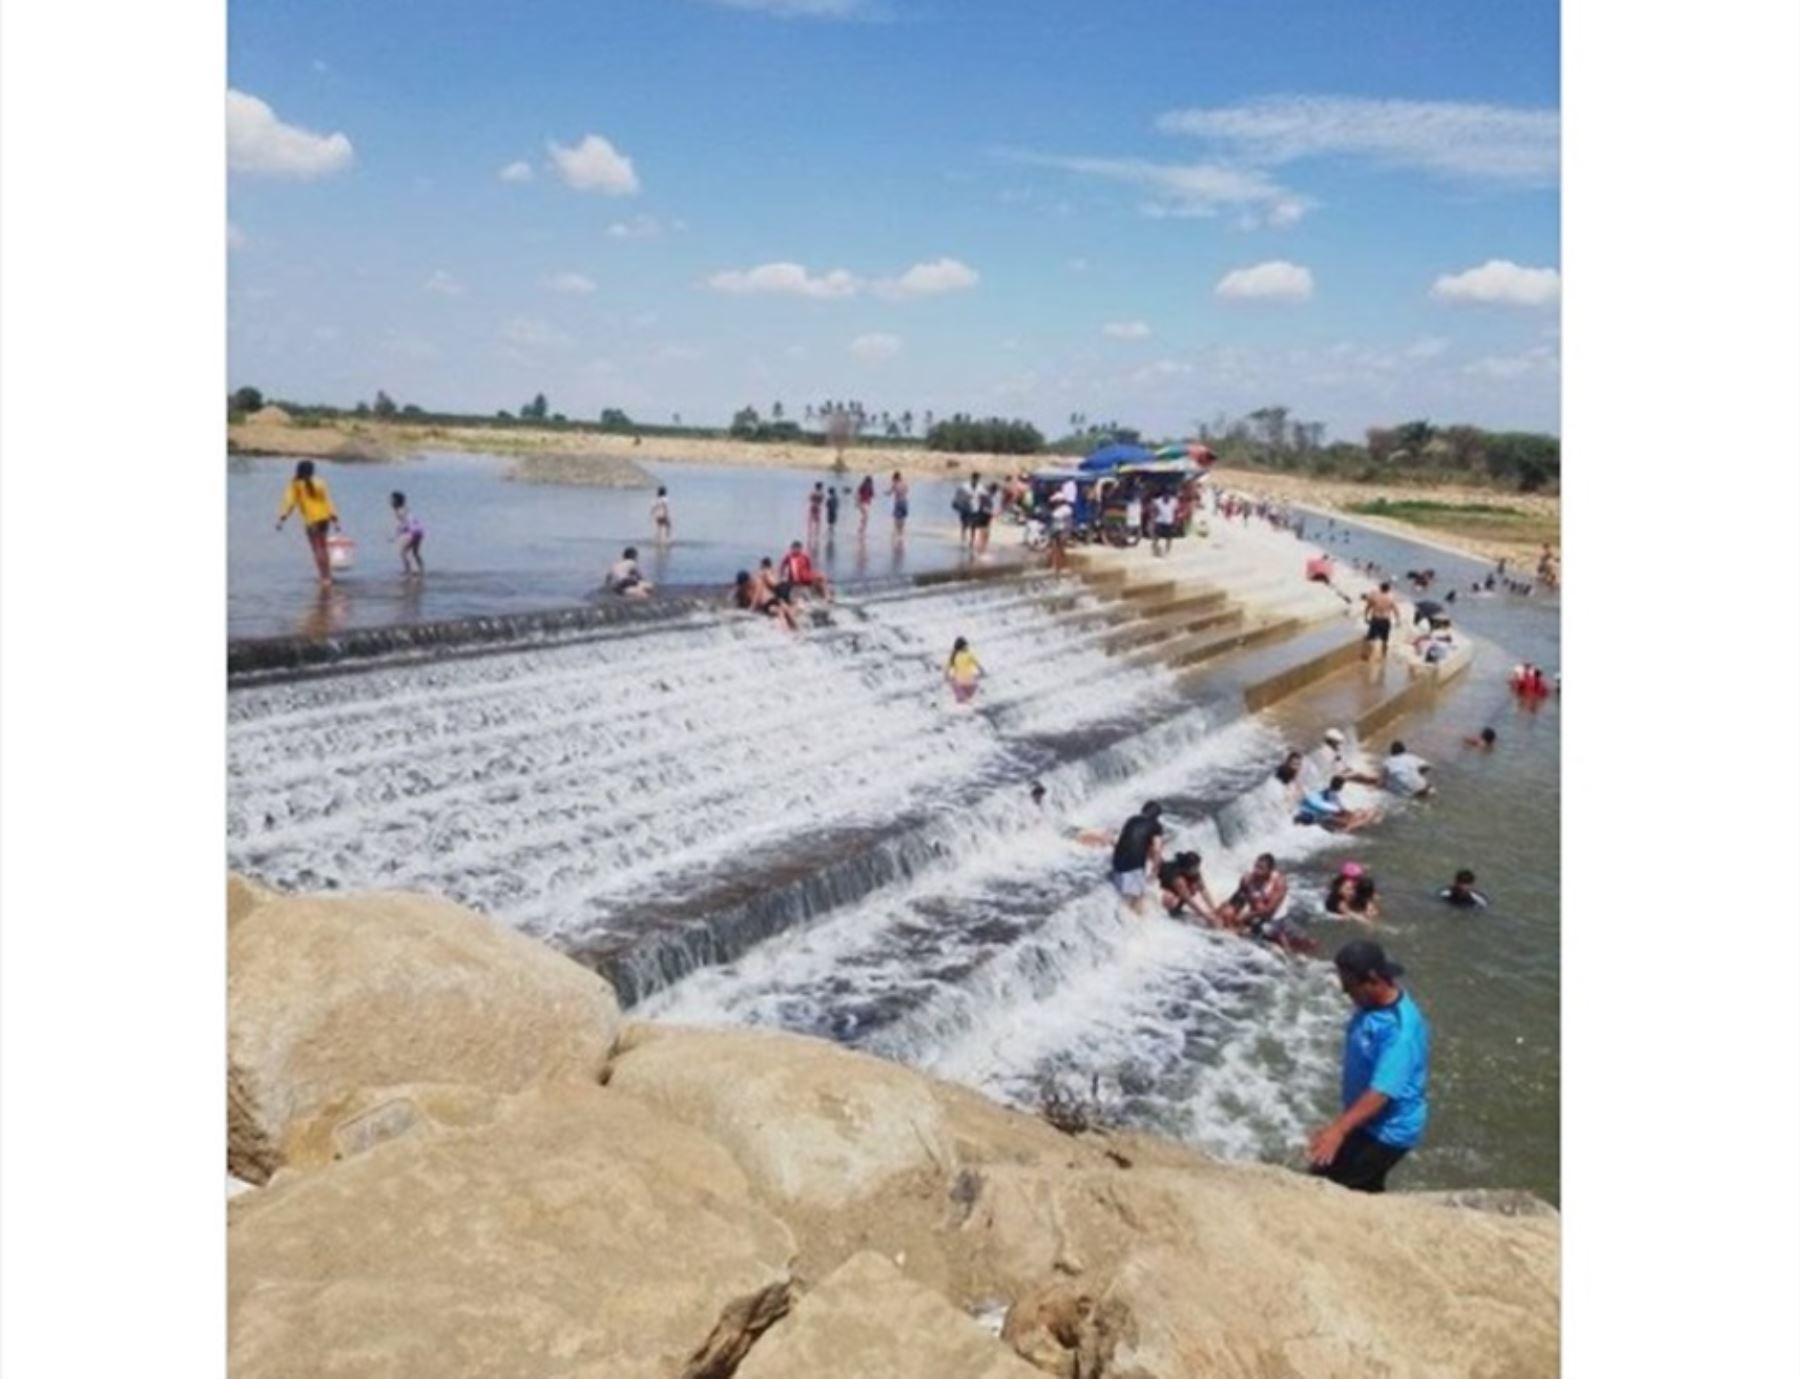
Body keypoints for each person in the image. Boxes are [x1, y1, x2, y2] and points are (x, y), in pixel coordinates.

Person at [1309, 940, 1431, 1193]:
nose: (1347, 994)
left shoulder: (1399, 1031)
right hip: (1367, 1122)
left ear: (1374, 979)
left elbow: (1381, 1092)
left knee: (1320, 1185)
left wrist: (1338, 1131)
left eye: (1350, 988)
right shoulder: (1372, 1005)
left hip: (1386, 1132)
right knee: (1364, 1187)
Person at [275, 459, 341, 585]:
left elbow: (289, 501)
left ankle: (324, 578)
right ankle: (328, 576)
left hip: (311, 521)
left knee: (317, 549)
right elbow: (328, 502)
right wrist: (335, 519)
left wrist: (282, 518)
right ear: (312, 471)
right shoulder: (320, 482)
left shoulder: (295, 484)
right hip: (325, 518)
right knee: (324, 548)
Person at [1109, 801, 1165, 914]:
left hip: (1117, 860)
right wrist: (1155, 871)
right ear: (1157, 816)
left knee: (1122, 894)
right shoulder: (1156, 826)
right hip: (1134, 864)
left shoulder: (1131, 820)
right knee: (1138, 897)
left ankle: (1122, 918)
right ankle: (1137, 924)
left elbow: (1123, 840)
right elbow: (1157, 849)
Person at [1215, 853, 1288, 934]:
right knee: (1226, 914)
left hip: (1274, 918)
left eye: (1261, 868)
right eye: (1256, 866)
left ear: (1269, 871)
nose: (1256, 871)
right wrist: (1224, 911)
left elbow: (1268, 911)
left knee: (1262, 929)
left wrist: (1245, 917)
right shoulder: (1248, 879)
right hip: (1255, 913)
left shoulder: (1279, 883)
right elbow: (1237, 900)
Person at [1296, 776, 1377, 832]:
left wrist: (1351, 814)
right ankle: (1350, 827)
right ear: (1339, 785)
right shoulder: (1331, 794)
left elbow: (1338, 809)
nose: (1342, 787)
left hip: (1320, 816)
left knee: (1357, 815)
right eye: (1342, 785)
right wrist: (1351, 816)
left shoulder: (1328, 792)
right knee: (1350, 822)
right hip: (1322, 818)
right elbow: (1338, 810)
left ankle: (1354, 823)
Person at [1158, 850, 1217, 924]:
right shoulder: (1178, 879)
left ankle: (1178, 904)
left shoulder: (1194, 872)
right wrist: (1205, 916)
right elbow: (1189, 900)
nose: (1198, 869)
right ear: (1187, 868)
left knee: (1194, 887)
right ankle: (1172, 911)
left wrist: (1214, 910)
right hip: (1163, 889)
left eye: (1198, 866)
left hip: (1177, 888)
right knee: (1170, 899)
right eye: (1195, 867)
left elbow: (1204, 891)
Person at [732, 569, 798, 631]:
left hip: (771, 601)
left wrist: (751, 609)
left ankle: (795, 631)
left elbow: (756, 599)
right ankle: (788, 633)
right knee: (780, 611)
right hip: (767, 605)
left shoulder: (756, 583)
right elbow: (745, 604)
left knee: (784, 609)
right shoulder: (743, 590)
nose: (743, 586)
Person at [1361, 582, 1399, 661]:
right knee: (1385, 639)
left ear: (1380, 588)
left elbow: (1368, 607)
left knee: (1370, 638)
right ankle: (1383, 655)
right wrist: (1398, 620)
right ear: (1388, 589)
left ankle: (1368, 655)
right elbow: (1396, 610)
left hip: (1375, 619)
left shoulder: (1375, 597)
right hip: (1385, 620)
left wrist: (1365, 616)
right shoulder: (1391, 598)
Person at [390, 490, 425, 575]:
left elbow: (404, 524)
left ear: (396, 501)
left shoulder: (399, 511)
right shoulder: (405, 509)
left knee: (403, 552)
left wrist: (396, 535)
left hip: (413, 532)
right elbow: (409, 521)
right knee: (415, 552)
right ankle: (422, 570)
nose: (390, 502)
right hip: (420, 531)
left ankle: (408, 571)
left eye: (391, 500)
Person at [945, 636, 983, 704]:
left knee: (953, 682)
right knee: (972, 688)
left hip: (959, 681)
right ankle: (966, 698)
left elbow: (947, 668)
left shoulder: (953, 655)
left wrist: (946, 677)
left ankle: (962, 699)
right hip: (970, 681)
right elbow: (977, 664)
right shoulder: (969, 654)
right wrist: (982, 671)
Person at [954, 472, 980, 548]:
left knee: (974, 526)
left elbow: (982, 497)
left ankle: (972, 541)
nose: (976, 481)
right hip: (965, 508)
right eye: (975, 479)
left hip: (975, 508)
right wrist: (956, 503)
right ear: (972, 478)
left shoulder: (980, 487)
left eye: (977, 479)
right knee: (964, 524)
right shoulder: (964, 486)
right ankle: (963, 538)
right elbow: (957, 494)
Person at [1151, 491, 1180, 557]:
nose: (1166, 498)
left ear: (1170, 496)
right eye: (1165, 496)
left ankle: (1167, 551)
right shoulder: (1158, 501)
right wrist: (1153, 519)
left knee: (1169, 538)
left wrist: (1176, 521)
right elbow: (1153, 510)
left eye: (1168, 496)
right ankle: (1154, 550)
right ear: (1163, 496)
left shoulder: (1174, 501)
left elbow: (1176, 511)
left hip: (1169, 522)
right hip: (1159, 521)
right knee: (1156, 537)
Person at [973, 482, 998, 555]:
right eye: (995, 492)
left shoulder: (986, 495)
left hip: (983, 516)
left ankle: (981, 549)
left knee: (985, 533)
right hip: (983, 516)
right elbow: (984, 508)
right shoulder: (986, 497)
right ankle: (980, 550)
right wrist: (992, 513)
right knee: (984, 533)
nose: (995, 494)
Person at [888, 472, 910, 541]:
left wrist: (885, 493)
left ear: (895, 478)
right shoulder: (905, 484)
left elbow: (890, 493)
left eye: (893, 479)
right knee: (903, 519)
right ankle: (901, 535)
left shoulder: (895, 484)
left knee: (896, 519)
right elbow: (907, 491)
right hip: (905, 502)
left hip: (898, 502)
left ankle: (897, 535)